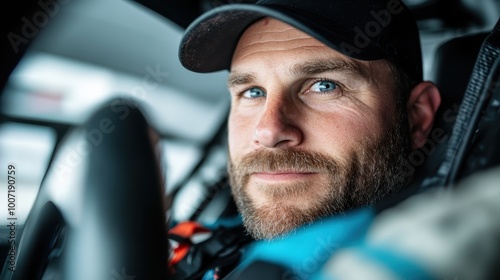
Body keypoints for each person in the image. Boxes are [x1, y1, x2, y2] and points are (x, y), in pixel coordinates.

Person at [171, 0, 442, 278]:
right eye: (252, 92)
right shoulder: (205, 244)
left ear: (416, 117)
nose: (269, 132)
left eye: (325, 86)